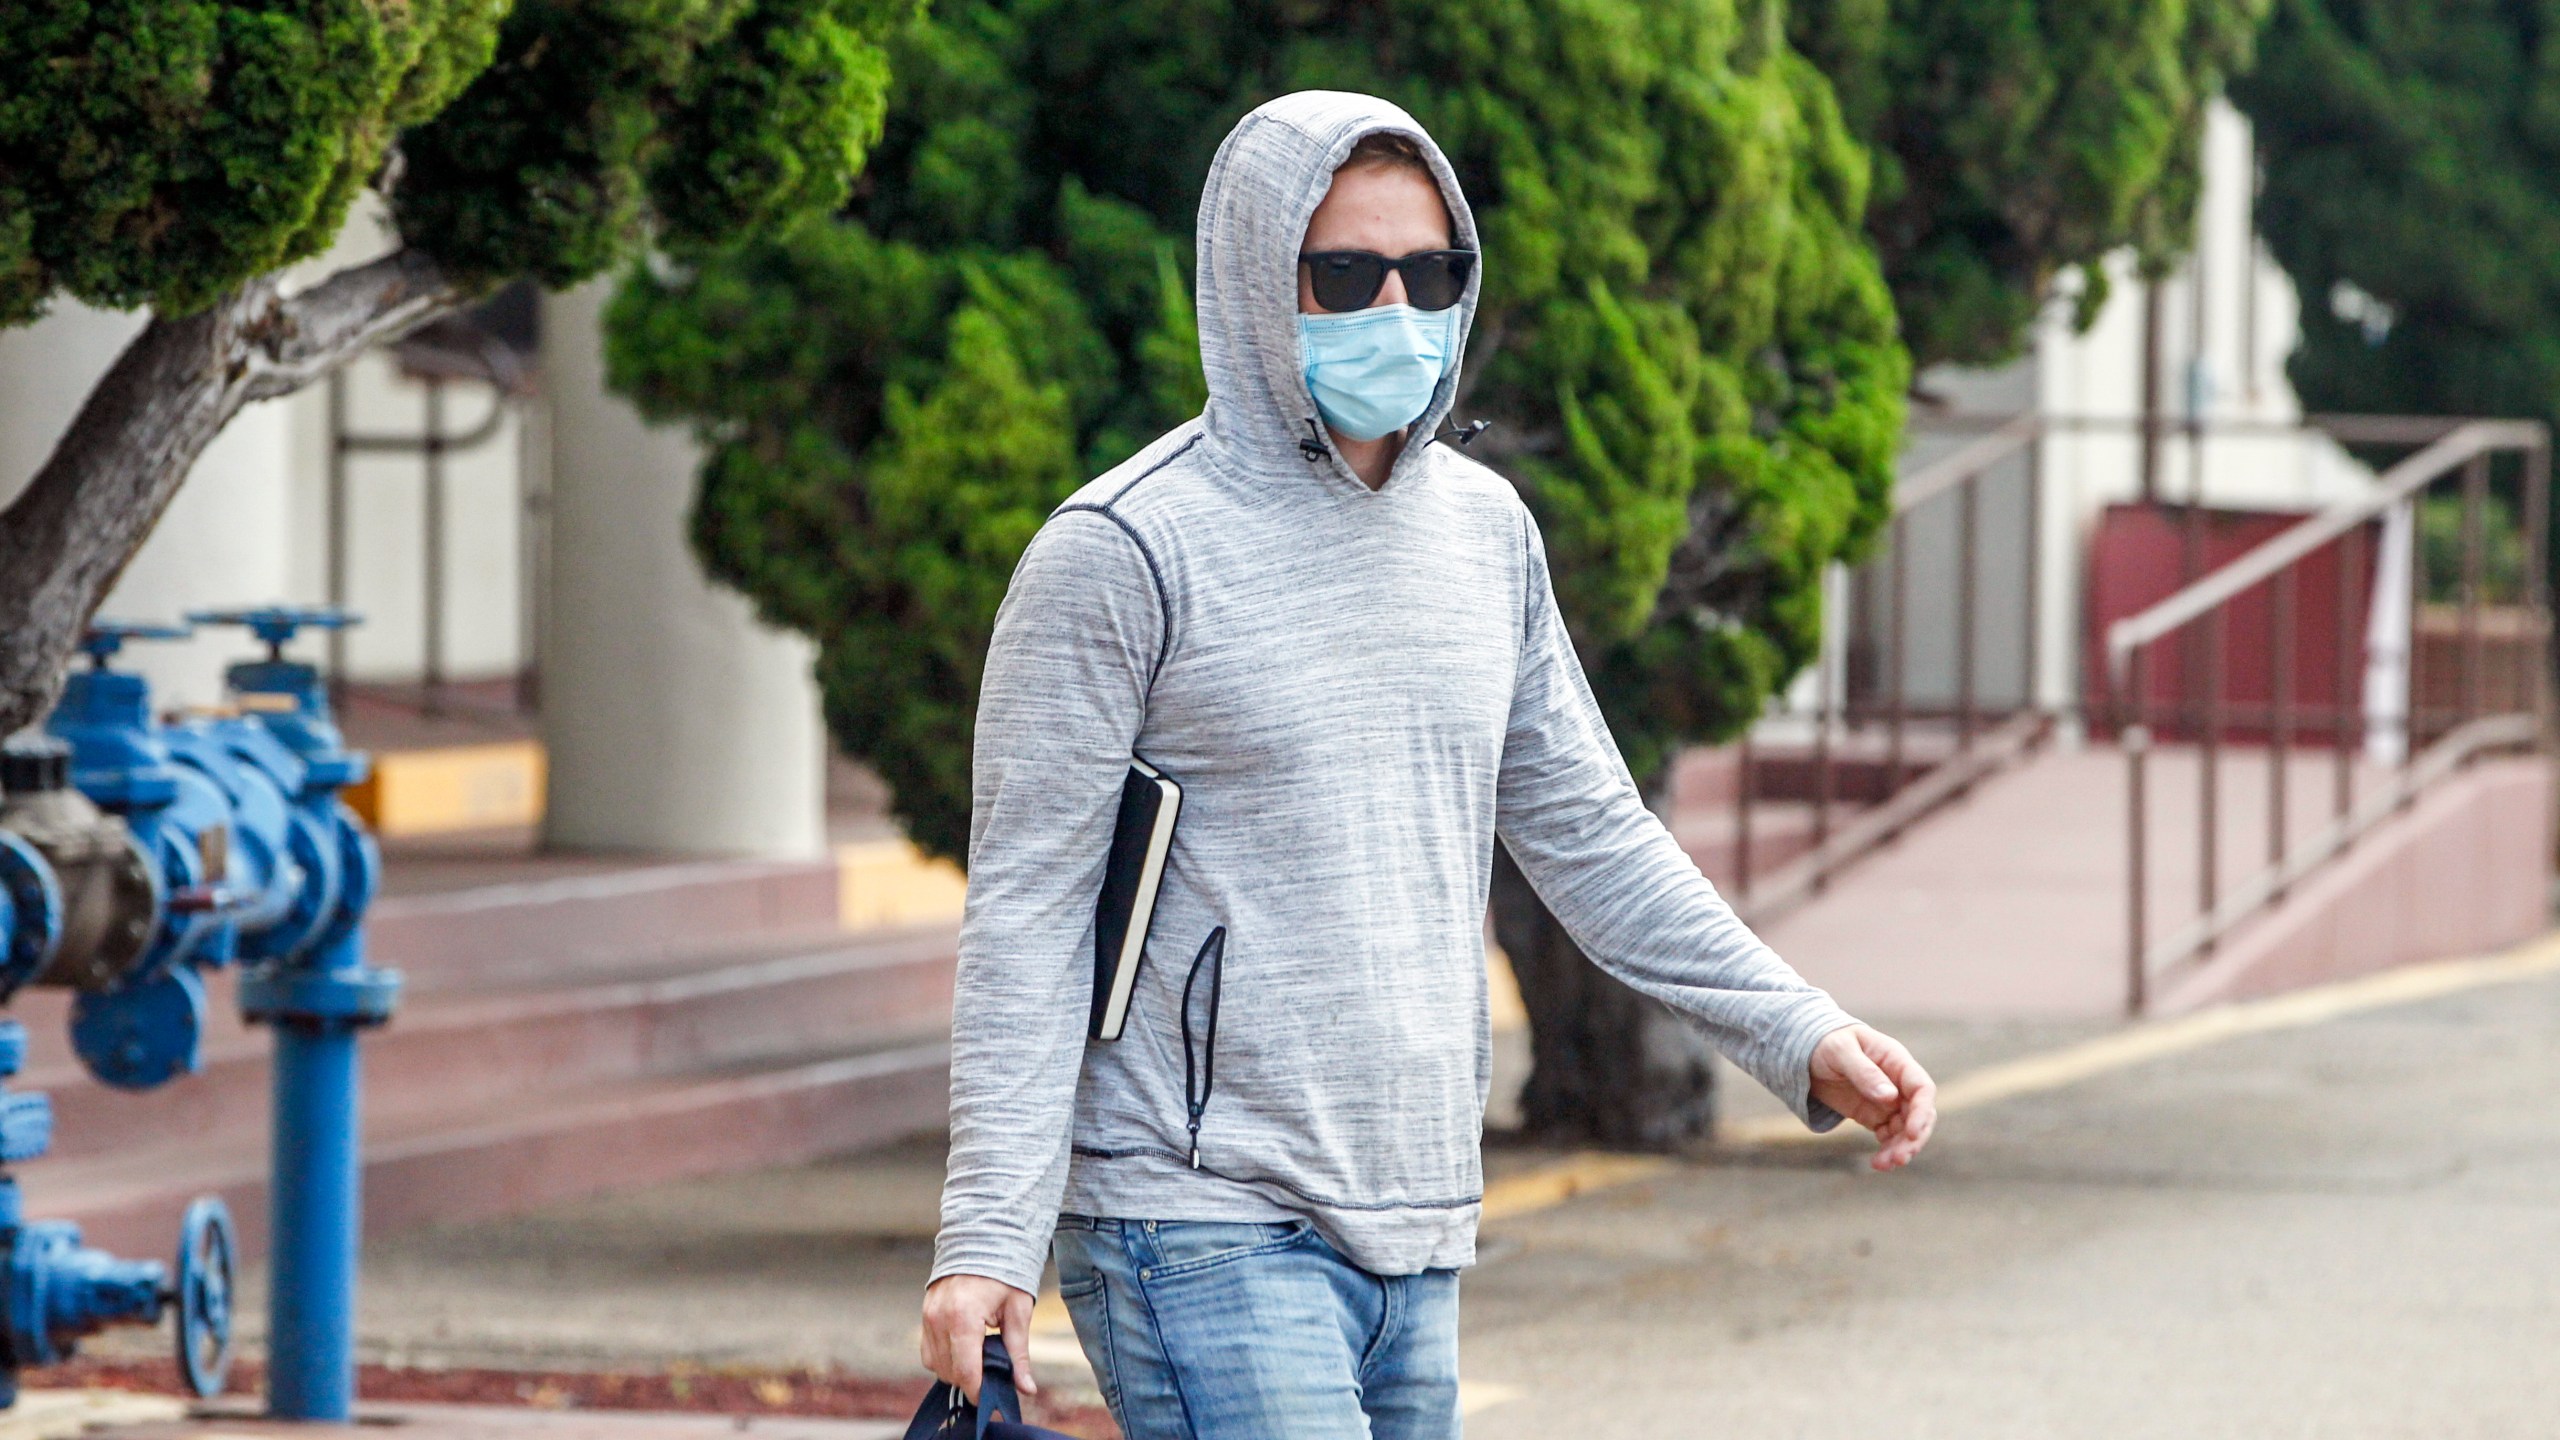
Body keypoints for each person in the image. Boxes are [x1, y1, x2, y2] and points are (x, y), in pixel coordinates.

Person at [920, 90, 1936, 1439]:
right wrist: (987, 1230)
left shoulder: (1486, 534)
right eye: (1344, 274)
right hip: (1197, 1212)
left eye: (1431, 272)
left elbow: (1592, 832)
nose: (1395, 307)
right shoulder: (1123, 551)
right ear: (1250, 280)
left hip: (1420, 1219)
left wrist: (1796, 1028)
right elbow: (1030, 906)